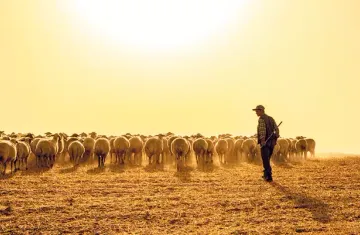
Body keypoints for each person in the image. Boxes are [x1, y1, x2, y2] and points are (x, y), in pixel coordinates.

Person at [252, 105, 279, 182]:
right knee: (267, 159)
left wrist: (263, 141)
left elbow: (262, 130)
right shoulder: (271, 118)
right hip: (272, 143)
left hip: (265, 143)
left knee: (265, 160)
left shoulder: (261, 119)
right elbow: (277, 130)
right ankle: (265, 174)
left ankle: (269, 176)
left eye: (257, 111)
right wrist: (275, 137)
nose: (256, 112)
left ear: (261, 111)